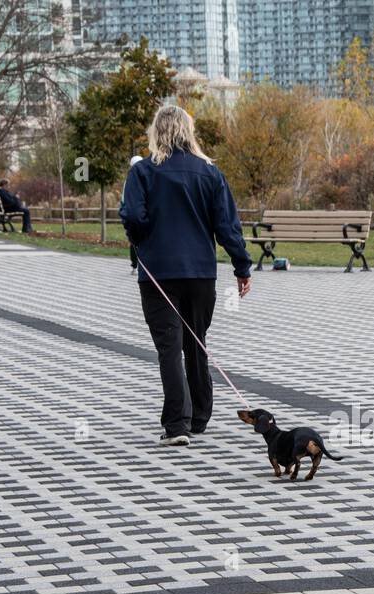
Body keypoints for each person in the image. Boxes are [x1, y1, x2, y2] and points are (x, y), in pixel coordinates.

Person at [120, 103, 252, 447]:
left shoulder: (143, 173)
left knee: (169, 348)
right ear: (188, 131)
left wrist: (140, 238)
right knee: (196, 343)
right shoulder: (209, 173)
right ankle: (200, 416)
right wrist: (242, 266)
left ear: (156, 132)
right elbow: (227, 226)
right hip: (200, 274)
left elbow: (132, 214)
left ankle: (177, 424)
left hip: (157, 273)